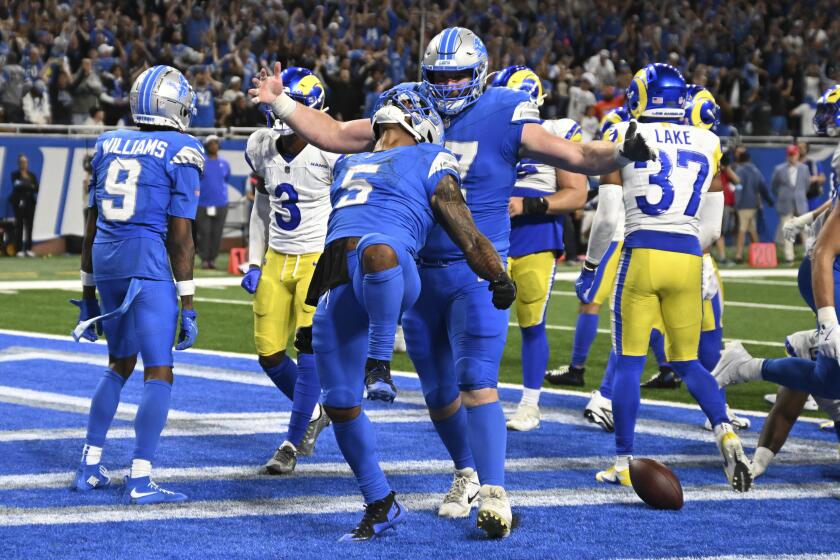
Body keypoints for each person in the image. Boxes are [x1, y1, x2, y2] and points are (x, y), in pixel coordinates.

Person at [249, 27, 655, 539]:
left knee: (476, 379)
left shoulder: (505, 112)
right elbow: (332, 133)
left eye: (458, 74)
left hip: (477, 267)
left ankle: (495, 491)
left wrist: (621, 153)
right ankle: (465, 470)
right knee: (439, 392)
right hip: (416, 267)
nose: (448, 84)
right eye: (439, 75)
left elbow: (576, 157)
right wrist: (280, 102)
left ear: (479, 73)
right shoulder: (412, 109)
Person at [306, 86, 513, 541]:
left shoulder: (431, 156)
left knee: (378, 250)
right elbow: (338, 238)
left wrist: (497, 275)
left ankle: (380, 362)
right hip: (344, 277)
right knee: (338, 401)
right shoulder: (349, 162)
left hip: (397, 269)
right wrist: (311, 306)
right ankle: (380, 502)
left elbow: (462, 224)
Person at [576, 64, 752, 492]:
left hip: (642, 253)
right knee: (689, 362)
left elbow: (609, 218)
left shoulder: (624, 132)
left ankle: (622, 461)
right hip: (689, 259)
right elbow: (713, 228)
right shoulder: (710, 142)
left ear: (640, 95)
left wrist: (590, 267)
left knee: (630, 363)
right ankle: (724, 430)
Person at [70, 65, 205, 504]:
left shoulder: (109, 141)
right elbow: (181, 235)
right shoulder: (182, 148)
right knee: (159, 370)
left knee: (118, 363)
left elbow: (90, 226)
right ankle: (140, 477)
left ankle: (89, 465)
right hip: (145, 259)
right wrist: (187, 302)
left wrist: (89, 295)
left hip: (107, 259)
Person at [713, 85, 840, 413]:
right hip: (831, 268)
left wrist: (808, 216)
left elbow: (835, 203)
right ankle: (767, 358)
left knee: (830, 381)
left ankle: (799, 348)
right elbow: (825, 249)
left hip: (828, 258)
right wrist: (828, 323)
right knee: (831, 379)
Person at [240, 68, 337, 475]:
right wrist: (254, 259)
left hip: (317, 258)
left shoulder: (332, 149)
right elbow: (262, 206)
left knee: (309, 349)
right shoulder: (260, 145)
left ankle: (292, 442)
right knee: (269, 354)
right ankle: (316, 410)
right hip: (278, 257)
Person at [546, 108, 674, 396]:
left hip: (617, 235)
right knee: (646, 309)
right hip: (649, 237)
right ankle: (668, 367)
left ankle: (578, 370)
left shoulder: (618, 142)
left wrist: (590, 263)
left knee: (590, 302)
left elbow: (608, 211)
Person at [489, 65, 588, 432]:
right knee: (481, 323)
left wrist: (529, 204)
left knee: (531, 324)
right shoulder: (488, 132)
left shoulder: (557, 131)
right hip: (490, 237)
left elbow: (577, 193)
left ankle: (530, 404)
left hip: (534, 239)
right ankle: (479, 394)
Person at [732, 147, 774, 263]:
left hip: (743, 205)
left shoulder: (739, 170)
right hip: (753, 205)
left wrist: (736, 203)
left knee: (742, 229)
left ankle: (739, 255)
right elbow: (763, 187)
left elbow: (738, 188)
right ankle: (760, 256)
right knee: (752, 229)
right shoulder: (756, 171)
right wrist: (769, 200)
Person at [195, 135, 230, 269]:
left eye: (216, 143)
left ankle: (213, 259)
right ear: (207, 146)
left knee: (217, 233)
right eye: (211, 144)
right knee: (204, 233)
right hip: (202, 204)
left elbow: (226, 179)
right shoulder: (202, 163)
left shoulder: (225, 164)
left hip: (221, 203)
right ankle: (204, 258)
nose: (214, 146)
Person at [772, 144, 810, 264]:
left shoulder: (804, 169)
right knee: (787, 230)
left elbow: (807, 185)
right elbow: (774, 186)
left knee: (805, 230)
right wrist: (783, 196)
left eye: (794, 154)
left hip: (800, 203)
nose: (792, 157)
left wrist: (799, 195)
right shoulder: (779, 169)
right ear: (787, 155)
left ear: (798, 154)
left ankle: (808, 255)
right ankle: (789, 257)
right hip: (785, 203)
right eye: (790, 155)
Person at [9, 154, 39, 257]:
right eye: (22, 162)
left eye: (25, 162)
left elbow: (36, 188)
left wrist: (25, 184)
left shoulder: (32, 175)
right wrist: (29, 185)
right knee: (20, 225)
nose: (24, 164)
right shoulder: (15, 174)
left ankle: (29, 249)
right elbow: (17, 185)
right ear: (19, 163)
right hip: (19, 203)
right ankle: (19, 250)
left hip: (30, 203)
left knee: (29, 226)